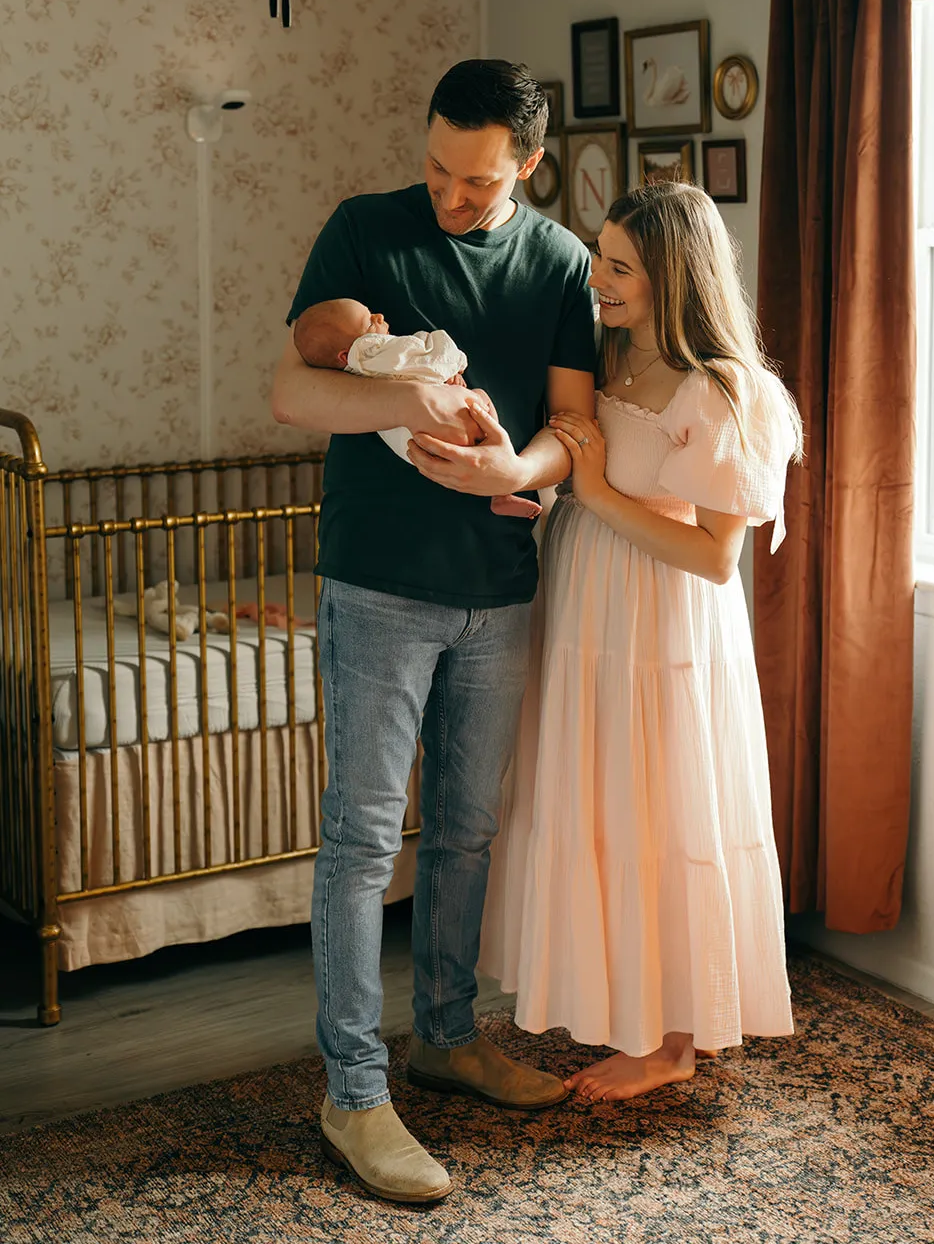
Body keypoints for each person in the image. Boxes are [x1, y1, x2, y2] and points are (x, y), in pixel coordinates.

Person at [270, 60, 596, 1205]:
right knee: (361, 843)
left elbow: (572, 428)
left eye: (475, 181)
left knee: (464, 833)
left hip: (498, 586)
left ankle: (445, 1037)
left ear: (527, 164)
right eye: (436, 170)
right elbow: (292, 392)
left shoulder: (559, 263)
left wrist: (518, 466)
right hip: (378, 584)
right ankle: (353, 1090)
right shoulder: (364, 232)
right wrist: (401, 398)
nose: (449, 197)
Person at [480, 181, 803, 1103]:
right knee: (598, 805)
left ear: (672, 277)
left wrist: (597, 497)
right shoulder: (606, 358)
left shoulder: (725, 392)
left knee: (661, 813)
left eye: (619, 266)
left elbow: (711, 556)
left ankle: (671, 1042)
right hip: (585, 605)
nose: (597, 276)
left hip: (659, 623)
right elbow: (580, 469)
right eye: (600, 255)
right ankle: (612, 1003)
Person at [292, 297, 540, 518]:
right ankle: (502, 494)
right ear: (346, 355)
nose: (378, 316)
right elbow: (426, 357)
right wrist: (452, 363)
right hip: (433, 426)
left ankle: (500, 494)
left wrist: (443, 380)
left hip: (417, 443)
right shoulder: (373, 353)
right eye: (368, 322)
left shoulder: (360, 374)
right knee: (481, 398)